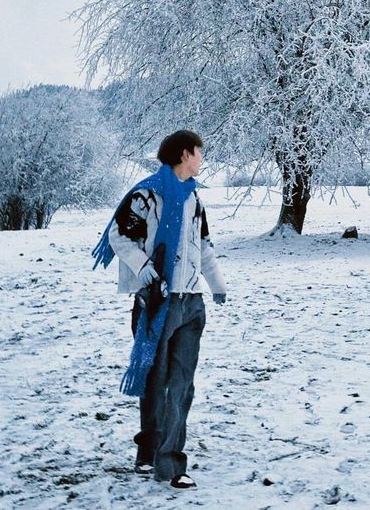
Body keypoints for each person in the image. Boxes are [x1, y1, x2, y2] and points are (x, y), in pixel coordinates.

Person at [92, 130, 226, 490]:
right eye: (200, 152)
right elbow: (119, 237)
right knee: (157, 381)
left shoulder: (194, 198)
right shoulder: (146, 195)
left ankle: (171, 464)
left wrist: (217, 286)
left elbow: (204, 245)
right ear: (185, 154)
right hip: (156, 301)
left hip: (190, 301)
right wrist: (145, 269)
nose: (202, 158)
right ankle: (148, 450)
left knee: (182, 384)